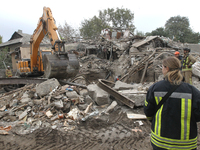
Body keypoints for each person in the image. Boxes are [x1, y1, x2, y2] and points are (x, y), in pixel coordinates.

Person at [144, 56, 200, 150]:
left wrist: (155, 120)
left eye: (162, 67)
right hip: (186, 145)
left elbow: (148, 111)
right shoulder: (192, 91)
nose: (162, 69)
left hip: (160, 142)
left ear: (167, 68)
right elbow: (198, 115)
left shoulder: (155, 88)